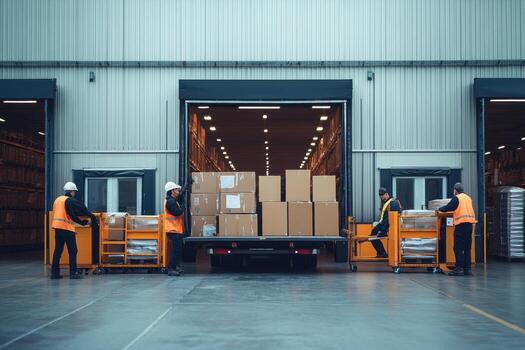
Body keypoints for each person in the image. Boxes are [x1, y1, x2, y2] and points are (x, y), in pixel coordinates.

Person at [51, 182, 98, 280]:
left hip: (57, 228)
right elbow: (72, 215)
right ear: (72, 192)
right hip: (67, 229)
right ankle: (73, 273)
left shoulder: (57, 200)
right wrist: (83, 222)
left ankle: (54, 274)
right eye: (74, 192)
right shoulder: (69, 201)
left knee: (58, 251)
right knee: (73, 250)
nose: (74, 194)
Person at [438, 183, 476, 276]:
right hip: (470, 225)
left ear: (455, 190)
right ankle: (467, 269)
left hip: (461, 225)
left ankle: (459, 268)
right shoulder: (468, 198)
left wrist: (440, 209)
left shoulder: (457, 198)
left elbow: (449, 207)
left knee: (458, 248)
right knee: (467, 248)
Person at [369, 187, 401, 258]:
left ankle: (382, 253)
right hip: (383, 223)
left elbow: (388, 218)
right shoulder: (387, 202)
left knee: (373, 235)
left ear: (386, 194)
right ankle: (381, 253)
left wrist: (383, 230)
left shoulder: (392, 203)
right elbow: (385, 217)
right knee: (372, 235)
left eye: (382, 196)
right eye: (380, 196)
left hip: (388, 225)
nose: (381, 198)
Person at [164, 181, 185, 277]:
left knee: (178, 249)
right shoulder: (170, 202)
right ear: (172, 191)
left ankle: (175, 266)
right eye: (177, 189)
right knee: (175, 250)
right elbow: (176, 212)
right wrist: (183, 208)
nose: (178, 191)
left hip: (176, 229)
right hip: (172, 229)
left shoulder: (173, 200)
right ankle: (171, 269)